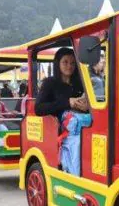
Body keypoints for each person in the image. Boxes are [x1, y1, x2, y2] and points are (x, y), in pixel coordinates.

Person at [35, 47, 90, 176]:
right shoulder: (49, 83)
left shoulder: (80, 83)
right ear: (58, 63)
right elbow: (39, 108)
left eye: (72, 63)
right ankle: (76, 175)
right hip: (62, 129)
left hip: (83, 121)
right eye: (65, 62)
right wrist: (67, 102)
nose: (69, 66)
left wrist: (86, 106)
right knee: (77, 142)